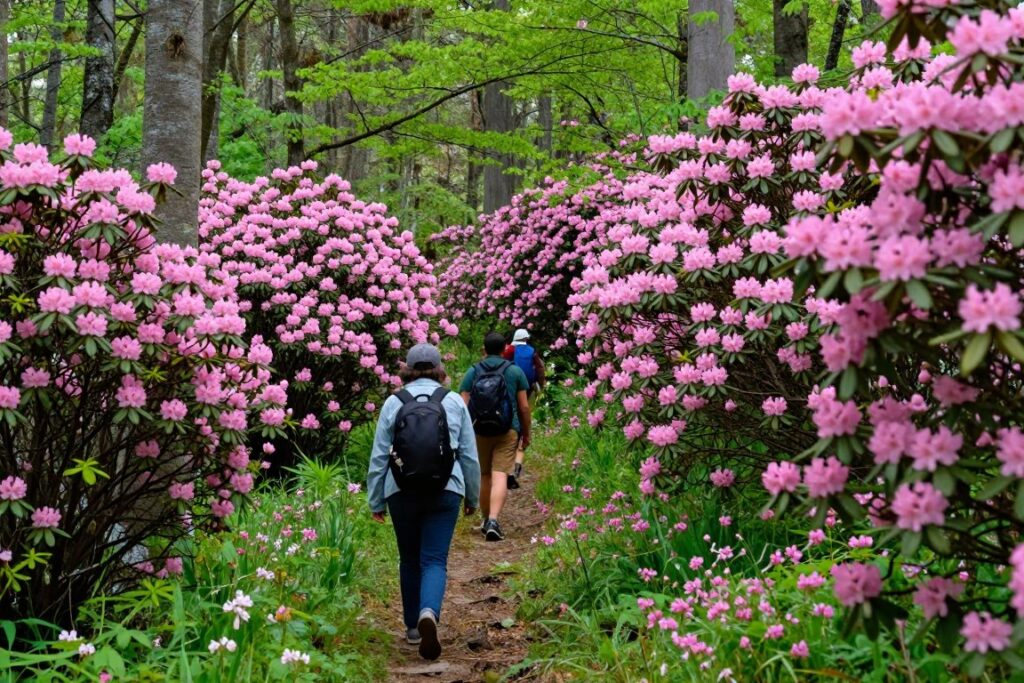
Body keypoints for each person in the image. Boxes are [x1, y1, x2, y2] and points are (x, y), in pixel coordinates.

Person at [367, 343, 480, 661]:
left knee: (409, 558)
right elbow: (469, 456)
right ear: (440, 369)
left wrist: (376, 499)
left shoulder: (393, 402)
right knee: (434, 560)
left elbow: (379, 457)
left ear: (408, 370)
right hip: (446, 489)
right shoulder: (454, 401)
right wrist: (472, 496)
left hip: (400, 490)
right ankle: (429, 611)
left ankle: (413, 628)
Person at [460, 331, 531, 541]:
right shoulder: (515, 371)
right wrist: (526, 433)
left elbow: (463, 406)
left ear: (484, 349)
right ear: (505, 349)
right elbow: (524, 407)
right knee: (500, 473)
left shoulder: (472, 372)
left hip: (479, 430)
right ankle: (493, 519)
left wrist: (464, 435)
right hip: (508, 430)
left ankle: (484, 520)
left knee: (484, 475)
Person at [501, 329, 545, 489]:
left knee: (511, 414)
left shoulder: (510, 350)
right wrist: (541, 385)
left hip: (510, 387)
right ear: (526, 338)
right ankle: (518, 462)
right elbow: (540, 369)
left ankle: (509, 466)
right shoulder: (532, 351)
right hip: (528, 388)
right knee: (523, 412)